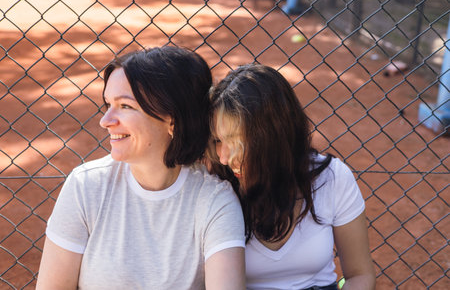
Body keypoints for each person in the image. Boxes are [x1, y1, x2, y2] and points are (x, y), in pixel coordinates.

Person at [37, 46, 246, 290]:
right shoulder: (85, 186)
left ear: (172, 119)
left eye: (125, 106)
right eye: (108, 104)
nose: (106, 121)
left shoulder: (213, 200)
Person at [206, 64, 376, 290]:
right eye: (218, 141)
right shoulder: (213, 188)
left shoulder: (333, 178)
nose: (224, 158)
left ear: (274, 136)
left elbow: (360, 275)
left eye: (236, 141)